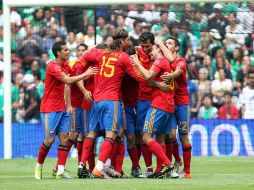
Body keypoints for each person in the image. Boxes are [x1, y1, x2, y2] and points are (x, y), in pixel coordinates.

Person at [34, 41, 97, 179]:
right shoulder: (53, 66)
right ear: (58, 53)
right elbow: (68, 81)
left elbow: (69, 84)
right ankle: (39, 166)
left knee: (64, 138)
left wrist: (68, 105)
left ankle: (60, 171)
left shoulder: (66, 66)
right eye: (66, 50)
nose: (69, 52)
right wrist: (85, 74)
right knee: (49, 140)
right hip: (50, 107)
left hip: (62, 108)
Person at [131, 44, 175, 178]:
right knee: (160, 137)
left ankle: (168, 165)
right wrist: (157, 84)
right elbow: (150, 81)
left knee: (146, 137)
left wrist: (137, 62)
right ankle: (160, 171)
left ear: (159, 50)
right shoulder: (165, 62)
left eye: (152, 50)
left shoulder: (160, 61)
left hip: (159, 104)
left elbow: (148, 76)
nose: (150, 53)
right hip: (167, 105)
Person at [156, 37, 192, 178]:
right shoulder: (163, 61)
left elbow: (177, 72)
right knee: (170, 136)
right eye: (165, 44)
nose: (167, 45)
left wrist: (170, 75)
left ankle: (187, 172)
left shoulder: (181, 61)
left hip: (182, 103)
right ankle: (176, 161)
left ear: (176, 48)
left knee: (183, 136)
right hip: (169, 103)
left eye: (170, 43)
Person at [51, 44, 89, 176]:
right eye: (78, 50)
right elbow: (67, 85)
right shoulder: (73, 65)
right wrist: (69, 104)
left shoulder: (88, 65)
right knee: (73, 134)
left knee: (83, 135)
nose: (80, 52)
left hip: (86, 105)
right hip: (75, 105)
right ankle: (58, 167)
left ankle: (82, 168)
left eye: (83, 50)